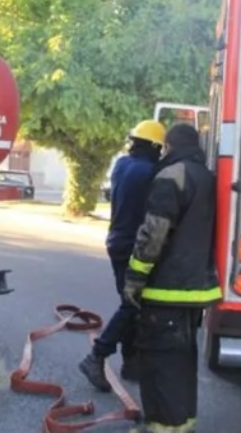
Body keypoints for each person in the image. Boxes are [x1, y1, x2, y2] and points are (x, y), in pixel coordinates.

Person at [123, 123, 222, 433]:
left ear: (168, 147)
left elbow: (153, 233)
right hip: (193, 291)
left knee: (160, 363)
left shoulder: (171, 176)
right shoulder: (206, 176)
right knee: (181, 362)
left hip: (165, 289)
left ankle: (162, 426)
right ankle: (182, 422)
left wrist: (134, 277)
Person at [78, 119, 165, 392]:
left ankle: (130, 363)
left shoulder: (121, 165)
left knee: (131, 304)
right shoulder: (151, 172)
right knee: (132, 305)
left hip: (115, 240)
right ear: (154, 147)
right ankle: (97, 355)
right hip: (132, 245)